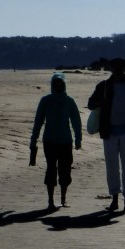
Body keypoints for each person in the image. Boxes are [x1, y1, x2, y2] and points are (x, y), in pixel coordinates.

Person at [87, 59, 125, 212]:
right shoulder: (104, 86)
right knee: (112, 167)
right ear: (112, 68)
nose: (118, 70)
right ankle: (115, 200)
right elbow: (91, 104)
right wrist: (100, 101)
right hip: (109, 132)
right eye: (116, 67)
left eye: (120, 67)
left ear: (124, 68)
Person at [30, 72, 82, 210]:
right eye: (56, 83)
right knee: (51, 170)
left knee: (65, 171)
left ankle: (63, 199)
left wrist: (78, 139)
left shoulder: (69, 101)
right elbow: (38, 122)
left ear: (64, 84)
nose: (58, 85)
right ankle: (50, 201)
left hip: (66, 141)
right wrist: (33, 141)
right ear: (52, 85)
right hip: (50, 141)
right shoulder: (45, 101)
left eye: (61, 83)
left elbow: (76, 121)